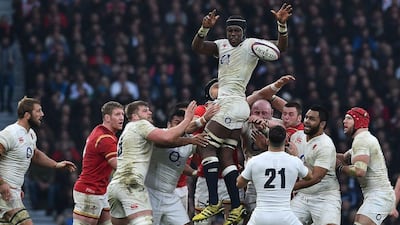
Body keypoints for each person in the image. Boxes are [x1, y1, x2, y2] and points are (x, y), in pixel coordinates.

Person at [191, 4, 292, 220]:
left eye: (237, 31)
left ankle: (213, 202)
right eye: (230, 31)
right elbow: (198, 47)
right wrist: (204, 28)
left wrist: (281, 26)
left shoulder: (251, 46)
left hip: (229, 104)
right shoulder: (221, 45)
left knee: (206, 147)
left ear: (243, 32)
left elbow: (280, 48)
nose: (233, 34)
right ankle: (236, 206)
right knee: (227, 155)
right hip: (238, 108)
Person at [107, 100, 196, 225]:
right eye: (145, 110)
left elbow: (167, 143)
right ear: (135, 116)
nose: (150, 112)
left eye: (149, 109)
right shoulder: (141, 125)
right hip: (131, 184)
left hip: (116, 185)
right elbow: (167, 139)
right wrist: (187, 120)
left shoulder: (129, 130)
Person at [0, 96, 77, 225]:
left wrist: (56, 164)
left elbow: (35, 154)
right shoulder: (10, 133)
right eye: (38, 111)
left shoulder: (30, 135)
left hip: (13, 192)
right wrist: (2, 184)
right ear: (27, 115)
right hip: (4, 193)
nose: (42, 114)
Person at [237, 125, 312, 225]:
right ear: (285, 141)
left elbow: (239, 184)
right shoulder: (294, 161)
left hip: (260, 216)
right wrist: (297, 157)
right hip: (285, 216)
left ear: (267, 141)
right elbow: (309, 176)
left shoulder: (254, 161)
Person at [145, 109, 208, 225]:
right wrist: (191, 139)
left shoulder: (190, 140)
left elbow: (204, 148)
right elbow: (166, 142)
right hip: (151, 193)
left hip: (170, 194)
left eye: (183, 123)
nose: (180, 126)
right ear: (168, 124)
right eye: (176, 122)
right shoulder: (160, 134)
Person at [336, 107, 395, 225]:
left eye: (348, 118)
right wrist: (324, 152)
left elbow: (359, 171)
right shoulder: (363, 139)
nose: (344, 121)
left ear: (358, 121)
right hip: (377, 195)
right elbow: (343, 158)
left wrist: (340, 168)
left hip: (379, 197)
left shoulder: (361, 140)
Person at [72, 101, 125, 225]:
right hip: (90, 191)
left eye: (122, 114)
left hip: (100, 191)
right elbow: (119, 166)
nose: (122, 118)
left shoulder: (99, 131)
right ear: (107, 117)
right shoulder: (105, 138)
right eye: (117, 114)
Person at [288, 105, 341, 225]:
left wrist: (289, 188)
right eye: (306, 117)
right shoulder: (296, 137)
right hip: (302, 195)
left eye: (312, 119)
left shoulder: (325, 145)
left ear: (322, 124)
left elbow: (316, 177)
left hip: (325, 196)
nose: (306, 121)